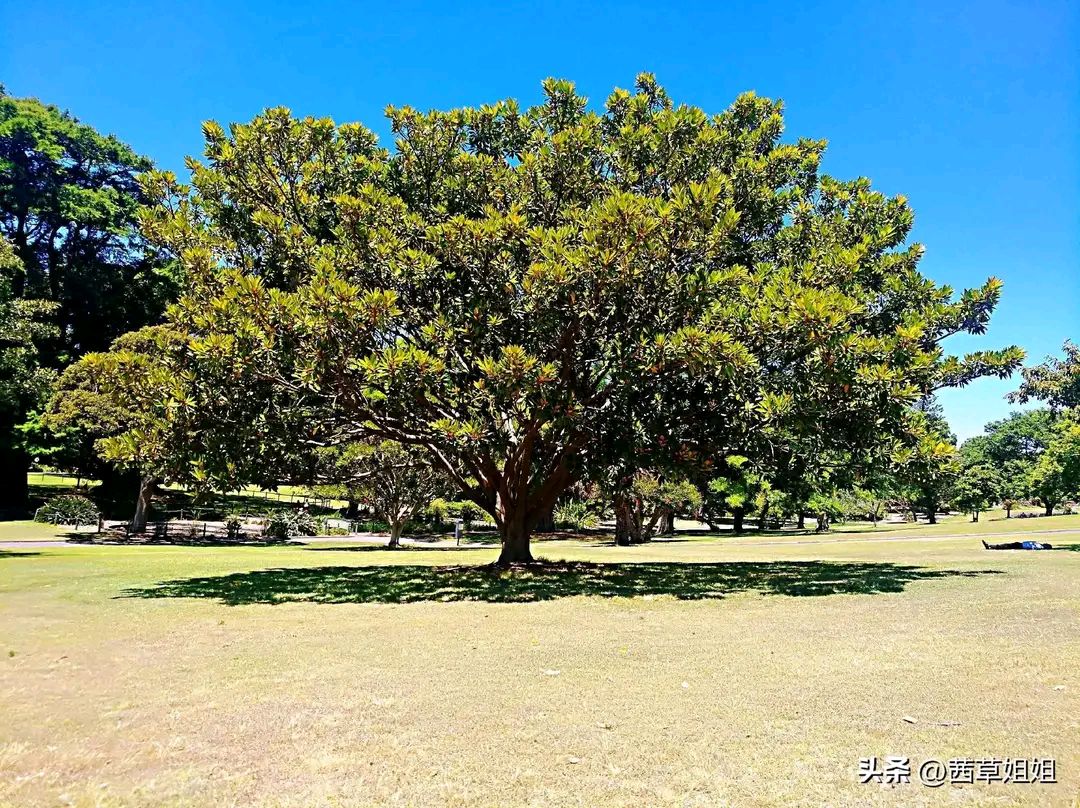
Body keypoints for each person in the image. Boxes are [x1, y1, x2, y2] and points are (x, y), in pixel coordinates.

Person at [982, 539, 1053, 550]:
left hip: (1021, 546)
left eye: (1047, 544)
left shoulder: (1040, 546)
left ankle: (990, 546)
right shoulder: (1039, 545)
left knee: (1006, 546)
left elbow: (1032, 547)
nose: (1045, 543)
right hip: (1020, 544)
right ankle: (990, 546)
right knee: (1006, 545)